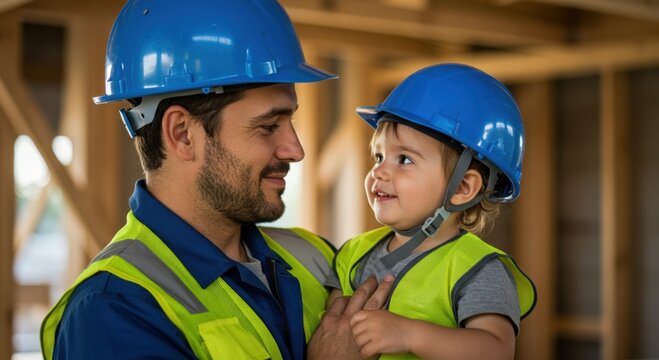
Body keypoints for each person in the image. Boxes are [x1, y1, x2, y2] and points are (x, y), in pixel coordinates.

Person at [39, 0, 387, 359]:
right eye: (269, 126)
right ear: (182, 134)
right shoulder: (114, 309)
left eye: (291, 123)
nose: (295, 150)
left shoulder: (315, 257)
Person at [328, 63, 538, 359]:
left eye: (404, 160)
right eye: (379, 156)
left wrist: (409, 334)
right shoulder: (353, 254)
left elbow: (496, 350)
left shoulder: (477, 270)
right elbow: (330, 331)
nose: (380, 172)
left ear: (462, 187)